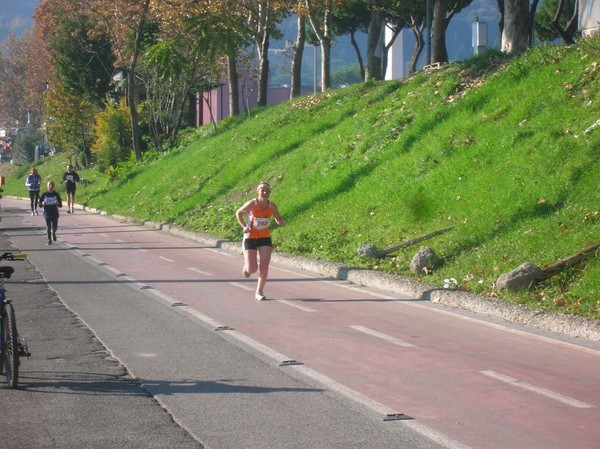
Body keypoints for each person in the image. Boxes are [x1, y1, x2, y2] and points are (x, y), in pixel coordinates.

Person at [235, 181, 285, 300]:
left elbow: (278, 217)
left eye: (267, 190)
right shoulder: (252, 203)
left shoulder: (271, 206)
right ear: (257, 192)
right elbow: (239, 213)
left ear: (270, 193)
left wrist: (280, 222)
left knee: (264, 266)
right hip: (250, 237)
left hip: (264, 237)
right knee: (252, 269)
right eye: (262, 190)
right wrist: (244, 227)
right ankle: (247, 267)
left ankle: (259, 292)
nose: (265, 192)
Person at [39, 181, 63, 245]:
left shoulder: (56, 194)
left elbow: (60, 205)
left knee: (55, 227)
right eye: (50, 185)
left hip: (54, 212)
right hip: (47, 212)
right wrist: (43, 203)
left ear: (54, 186)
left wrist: (57, 203)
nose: (51, 186)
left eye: (52, 185)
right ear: (47, 186)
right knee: (48, 227)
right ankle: (49, 239)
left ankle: (53, 233)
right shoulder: (44, 194)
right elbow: (40, 204)